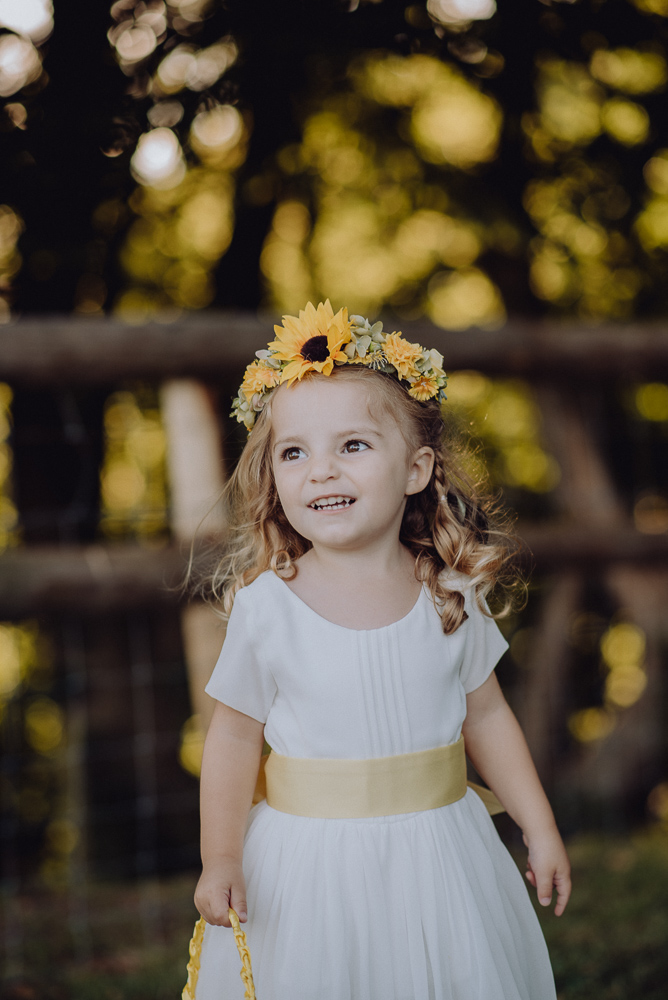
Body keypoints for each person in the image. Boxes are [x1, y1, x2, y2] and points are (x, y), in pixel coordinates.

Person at [190, 301, 571, 1000]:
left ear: (416, 469)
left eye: (353, 447)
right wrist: (221, 857)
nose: (321, 472)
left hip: (442, 853)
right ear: (273, 475)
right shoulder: (269, 607)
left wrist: (537, 825)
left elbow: (485, 717)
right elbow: (234, 739)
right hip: (312, 866)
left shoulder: (449, 593)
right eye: (294, 452)